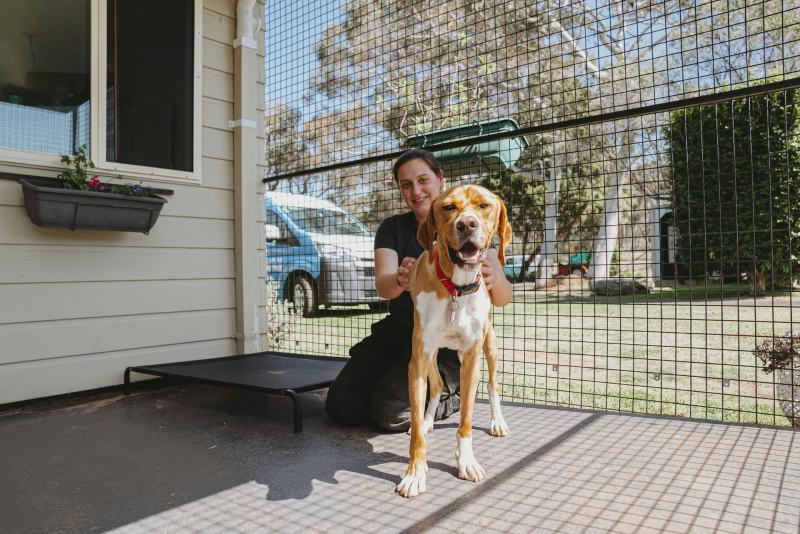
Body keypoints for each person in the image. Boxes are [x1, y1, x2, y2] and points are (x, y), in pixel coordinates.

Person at [324, 149, 513, 431]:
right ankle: (393, 393)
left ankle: (454, 395)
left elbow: (502, 299)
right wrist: (400, 280)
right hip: (402, 328)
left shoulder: (472, 230)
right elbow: (385, 286)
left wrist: (497, 276)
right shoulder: (393, 228)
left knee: (391, 414)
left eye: (423, 180)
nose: (416, 191)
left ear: (440, 180)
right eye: (406, 185)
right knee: (341, 407)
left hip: (448, 339)